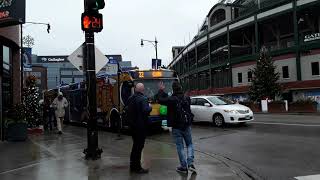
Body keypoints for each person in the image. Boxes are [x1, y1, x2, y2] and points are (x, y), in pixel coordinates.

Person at [158, 81, 196, 174]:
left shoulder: (171, 99)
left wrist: (161, 90)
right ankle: (190, 163)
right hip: (186, 125)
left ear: (173, 89)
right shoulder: (187, 98)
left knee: (180, 147)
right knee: (189, 144)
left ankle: (183, 167)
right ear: (181, 88)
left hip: (176, 127)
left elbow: (160, 100)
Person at [127, 83, 152, 174]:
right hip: (141, 127)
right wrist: (150, 107)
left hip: (132, 126)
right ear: (143, 89)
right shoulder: (144, 99)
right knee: (139, 147)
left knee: (135, 146)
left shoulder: (130, 99)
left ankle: (132, 165)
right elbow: (145, 111)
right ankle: (137, 168)